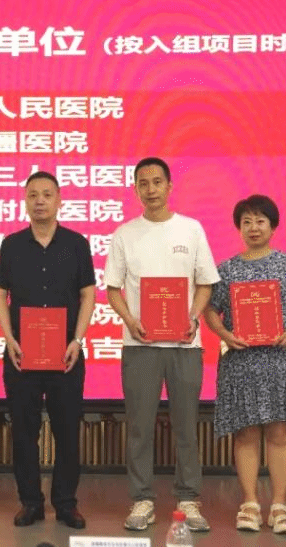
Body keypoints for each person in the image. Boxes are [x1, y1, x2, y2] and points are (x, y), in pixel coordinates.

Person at [105, 157, 220, 532]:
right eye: (143, 183)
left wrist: (193, 317)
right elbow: (113, 288)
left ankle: (189, 498)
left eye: (157, 182)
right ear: (136, 189)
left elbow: (205, 282)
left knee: (186, 425)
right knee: (140, 426)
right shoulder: (125, 234)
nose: (151, 189)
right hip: (140, 345)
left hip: (185, 345)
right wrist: (130, 320)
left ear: (170, 187)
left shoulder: (191, 229)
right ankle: (142, 499)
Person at [203, 194, 286, 535]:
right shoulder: (225, 270)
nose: (253, 227)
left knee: (280, 433)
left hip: (281, 360)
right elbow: (211, 310)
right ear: (238, 228)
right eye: (247, 222)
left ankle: (280, 506)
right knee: (246, 433)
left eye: (260, 221)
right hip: (240, 361)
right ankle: (250, 503)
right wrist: (223, 333)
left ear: (272, 225)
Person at [0, 171, 96, 529]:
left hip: (66, 354)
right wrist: (9, 339)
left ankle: (66, 503)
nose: (40, 200)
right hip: (21, 354)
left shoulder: (76, 244)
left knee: (67, 432)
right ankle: (30, 502)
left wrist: (77, 340)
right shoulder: (12, 245)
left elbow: (88, 294)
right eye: (33, 194)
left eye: (47, 194)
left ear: (59, 200)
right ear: (25, 201)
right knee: (24, 433)